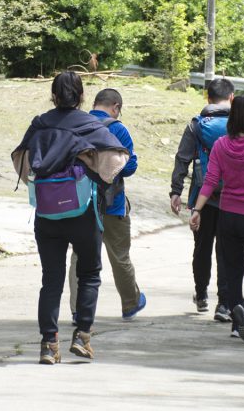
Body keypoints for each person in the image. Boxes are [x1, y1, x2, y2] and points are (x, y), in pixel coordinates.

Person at [11, 72, 129, 364]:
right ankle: (82, 336)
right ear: (81, 96)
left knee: (51, 279)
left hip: (47, 213)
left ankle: (49, 345)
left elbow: (20, 159)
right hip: (83, 211)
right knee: (89, 274)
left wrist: (44, 185)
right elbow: (117, 157)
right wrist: (95, 175)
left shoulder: (39, 125)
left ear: (53, 96)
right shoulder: (89, 124)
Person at [190, 95, 244, 343]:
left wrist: (196, 209)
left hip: (227, 215)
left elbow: (210, 180)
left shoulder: (221, 145)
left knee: (233, 271)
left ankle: (237, 324)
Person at [68, 88, 146, 321]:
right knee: (119, 255)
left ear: (94, 103)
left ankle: (77, 309)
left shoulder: (77, 124)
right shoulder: (118, 129)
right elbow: (129, 168)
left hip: (81, 201)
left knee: (78, 257)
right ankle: (130, 304)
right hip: (112, 203)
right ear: (116, 107)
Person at [169, 78, 234, 322]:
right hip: (232, 197)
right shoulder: (238, 125)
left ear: (207, 99)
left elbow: (182, 158)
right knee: (226, 250)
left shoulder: (196, 125)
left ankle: (202, 295)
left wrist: (176, 191)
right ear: (231, 98)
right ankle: (224, 304)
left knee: (202, 246)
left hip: (201, 197)